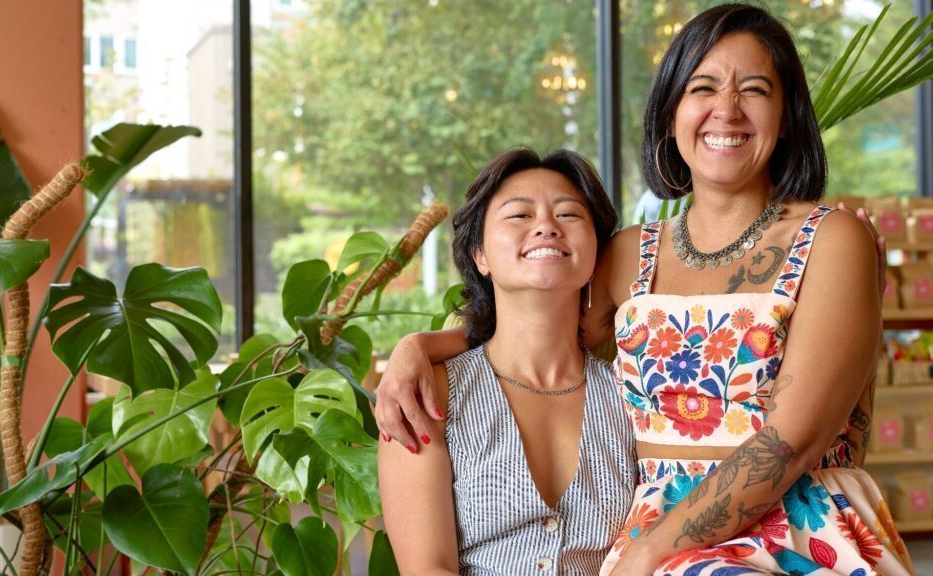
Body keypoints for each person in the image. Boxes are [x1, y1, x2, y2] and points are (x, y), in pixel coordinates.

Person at [376, 4, 914, 575]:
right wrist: (420, 346)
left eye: (754, 89)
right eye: (702, 87)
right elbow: (537, 328)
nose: (726, 110)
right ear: (670, 114)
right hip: (657, 538)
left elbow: (795, 441)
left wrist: (650, 555)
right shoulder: (628, 254)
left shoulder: (831, 238)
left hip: (790, 529)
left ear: (786, 117)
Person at [378, 148, 637, 574]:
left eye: (569, 215)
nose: (546, 227)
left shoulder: (633, 394)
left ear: (595, 254)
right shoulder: (426, 394)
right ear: (480, 255)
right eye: (519, 215)